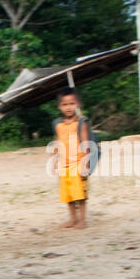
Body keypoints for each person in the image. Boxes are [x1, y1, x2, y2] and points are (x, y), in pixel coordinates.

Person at [51, 88, 95, 229]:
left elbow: (85, 143)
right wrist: (54, 161)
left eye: (72, 103)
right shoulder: (58, 124)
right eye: (65, 104)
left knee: (80, 194)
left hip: (78, 163)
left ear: (77, 105)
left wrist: (85, 163)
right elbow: (56, 143)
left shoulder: (81, 123)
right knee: (69, 194)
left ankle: (82, 220)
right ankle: (72, 219)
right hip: (64, 165)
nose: (68, 107)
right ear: (59, 106)